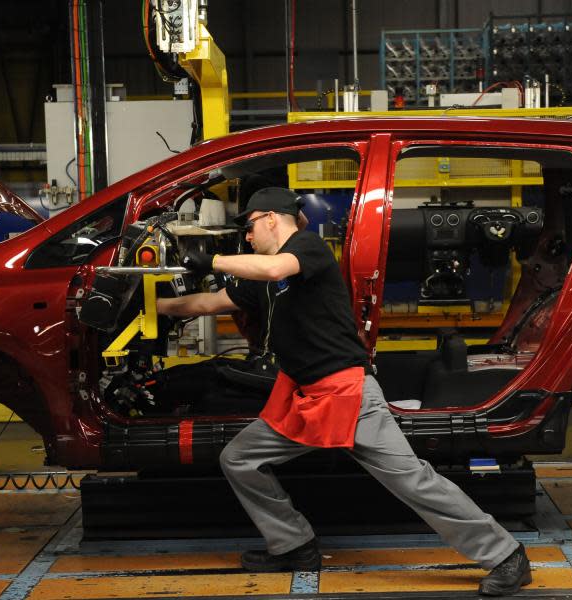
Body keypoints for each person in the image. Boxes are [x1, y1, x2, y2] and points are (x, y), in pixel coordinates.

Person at [156, 186, 532, 596]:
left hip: (349, 396)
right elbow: (207, 304)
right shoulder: (260, 279)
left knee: (413, 481)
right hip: (304, 396)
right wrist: (149, 306)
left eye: (248, 226)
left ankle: (506, 556)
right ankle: (294, 545)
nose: (247, 236)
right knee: (240, 459)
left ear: (270, 218)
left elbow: (276, 269)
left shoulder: (306, 248)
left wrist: (209, 258)